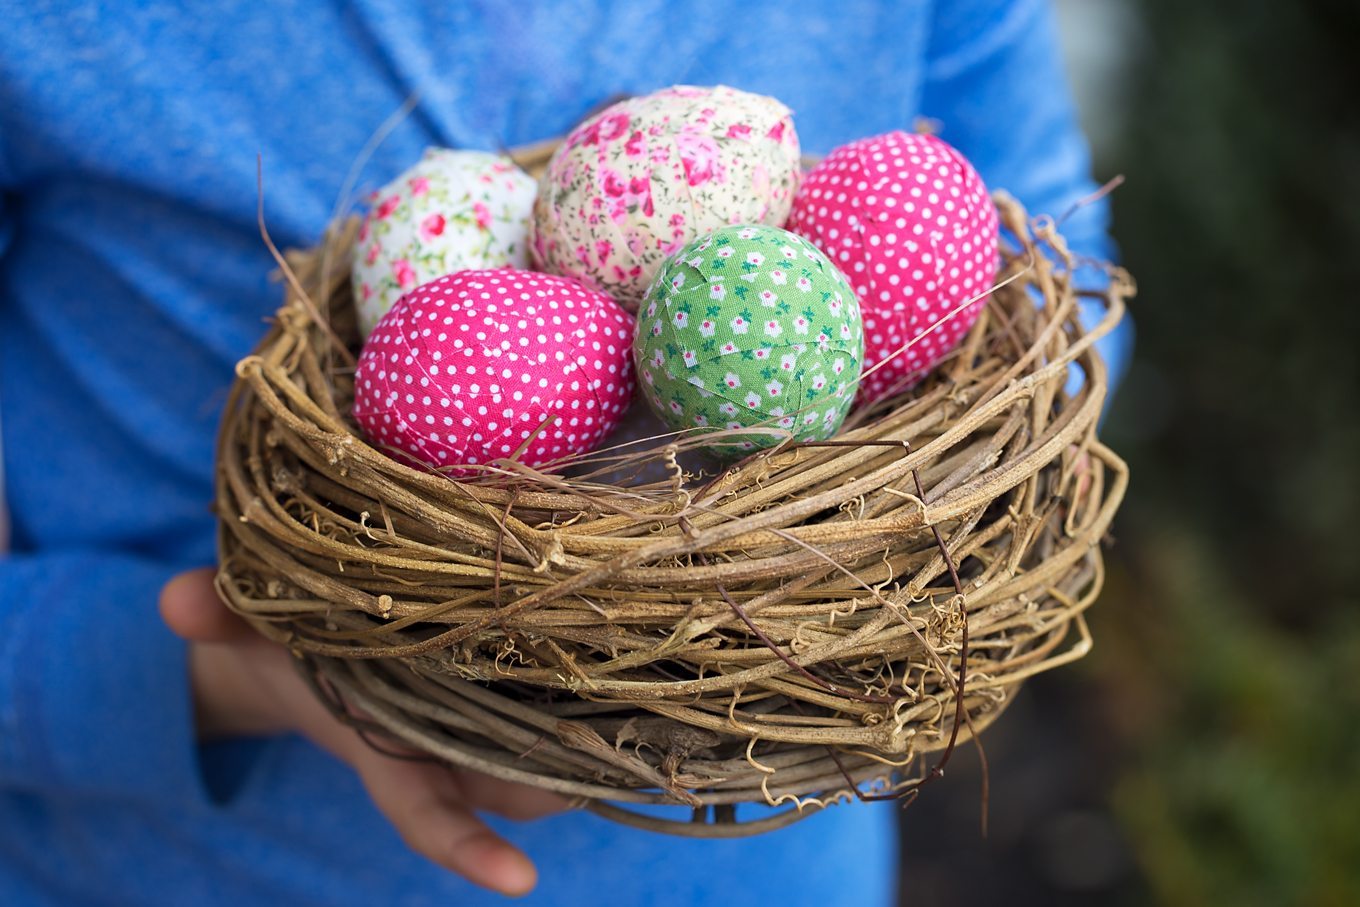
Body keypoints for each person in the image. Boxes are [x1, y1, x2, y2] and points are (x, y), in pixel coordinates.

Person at [0, 1, 1131, 903]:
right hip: (201, 863)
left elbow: (1044, 256)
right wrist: (208, 676)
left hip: (775, 858)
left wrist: (979, 498)